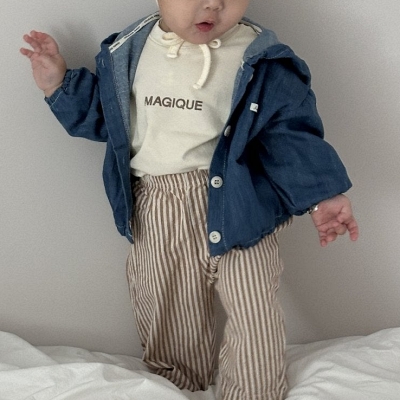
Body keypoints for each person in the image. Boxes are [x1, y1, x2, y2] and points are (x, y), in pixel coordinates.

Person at [20, 0, 359, 398]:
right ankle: (178, 385)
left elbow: (290, 136)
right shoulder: (130, 51)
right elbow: (108, 118)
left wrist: (323, 195)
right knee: (169, 308)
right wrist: (58, 84)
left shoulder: (263, 61)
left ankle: (254, 389)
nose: (213, 4)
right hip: (159, 203)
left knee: (254, 309)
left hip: (242, 203)